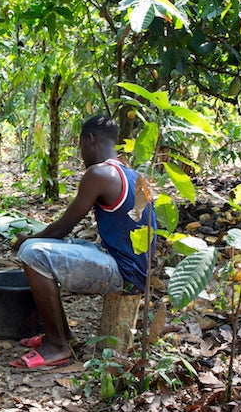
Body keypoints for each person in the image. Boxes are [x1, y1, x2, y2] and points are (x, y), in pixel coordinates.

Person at [10, 114, 155, 369]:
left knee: (33, 253)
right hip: (135, 266)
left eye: (80, 146)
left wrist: (27, 240)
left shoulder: (99, 173)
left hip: (125, 273)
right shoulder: (131, 173)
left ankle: (57, 346)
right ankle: (63, 336)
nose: (80, 154)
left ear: (91, 140)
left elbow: (65, 226)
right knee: (41, 249)